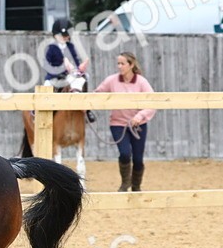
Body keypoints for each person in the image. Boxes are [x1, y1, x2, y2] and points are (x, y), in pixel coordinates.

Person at [94, 52, 156, 191]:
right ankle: (125, 183)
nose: (119, 66)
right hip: (118, 124)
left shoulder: (141, 82)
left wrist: (139, 116)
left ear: (131, 65)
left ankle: (136, 186)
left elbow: (152, 102)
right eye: (118, 63)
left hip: (137, 125)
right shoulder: (111, 80)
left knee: (138, 159)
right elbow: (97, 93)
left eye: (122, 63)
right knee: (124, 153)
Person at [44, 18, 95, 122]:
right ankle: (40, 111)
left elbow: (75, 61)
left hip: (69, 76)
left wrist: (79, 70)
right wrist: (57, 72)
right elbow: (47, 64)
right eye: (61, 36)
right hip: (55, 76)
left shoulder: (71, 47)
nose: (64, 37)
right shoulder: (51, 48)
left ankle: (87, 109)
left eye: (66, 36)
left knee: (84, 79)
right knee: (47, 85)